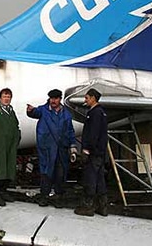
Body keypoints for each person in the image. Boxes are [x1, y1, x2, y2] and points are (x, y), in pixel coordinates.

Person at [26, 88, 77, 208]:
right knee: (46, 173)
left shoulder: (66, 114)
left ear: (60, 99)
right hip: (47, 149)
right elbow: (34, 113)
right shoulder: (43, 110)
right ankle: (44, 197)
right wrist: (30, 111)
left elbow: (70, 131)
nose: (53, 101)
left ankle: (58, 197)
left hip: (61, 149)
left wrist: (73, 146)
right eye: (51, 98)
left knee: (60, 174)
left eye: (55, 98)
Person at [74, 88, 109, 217]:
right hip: (100, 152)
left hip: (93, 153)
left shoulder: (94, 113)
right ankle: (103, 206)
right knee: (100, 179)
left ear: (93, 98)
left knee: (90, 178)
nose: (85, 100)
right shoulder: (102, 113)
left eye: (87, 98)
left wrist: (87, 149)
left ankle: (88, 206)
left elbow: (92, 134)